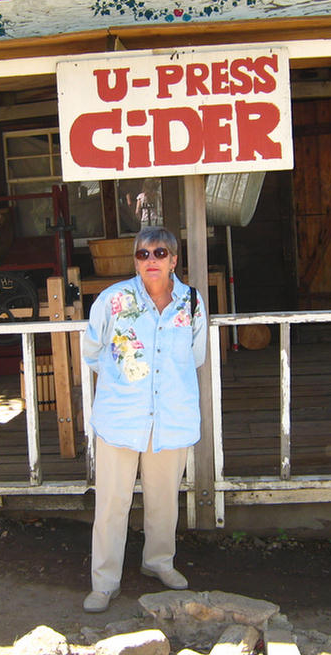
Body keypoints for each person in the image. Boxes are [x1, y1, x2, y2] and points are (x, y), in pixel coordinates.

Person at [80, 226, 208, 613]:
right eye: (143, 254)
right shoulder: (112, 300)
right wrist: (125, 382)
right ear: (135, 259)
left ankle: (159, 564)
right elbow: (91, 350)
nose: (151, 260)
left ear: (174, 259)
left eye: (160, 253)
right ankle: (104, 582)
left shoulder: (192, 303)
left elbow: (196, 355)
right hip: (122, 417)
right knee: (111, 504)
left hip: (171, 416)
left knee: (164, 501)